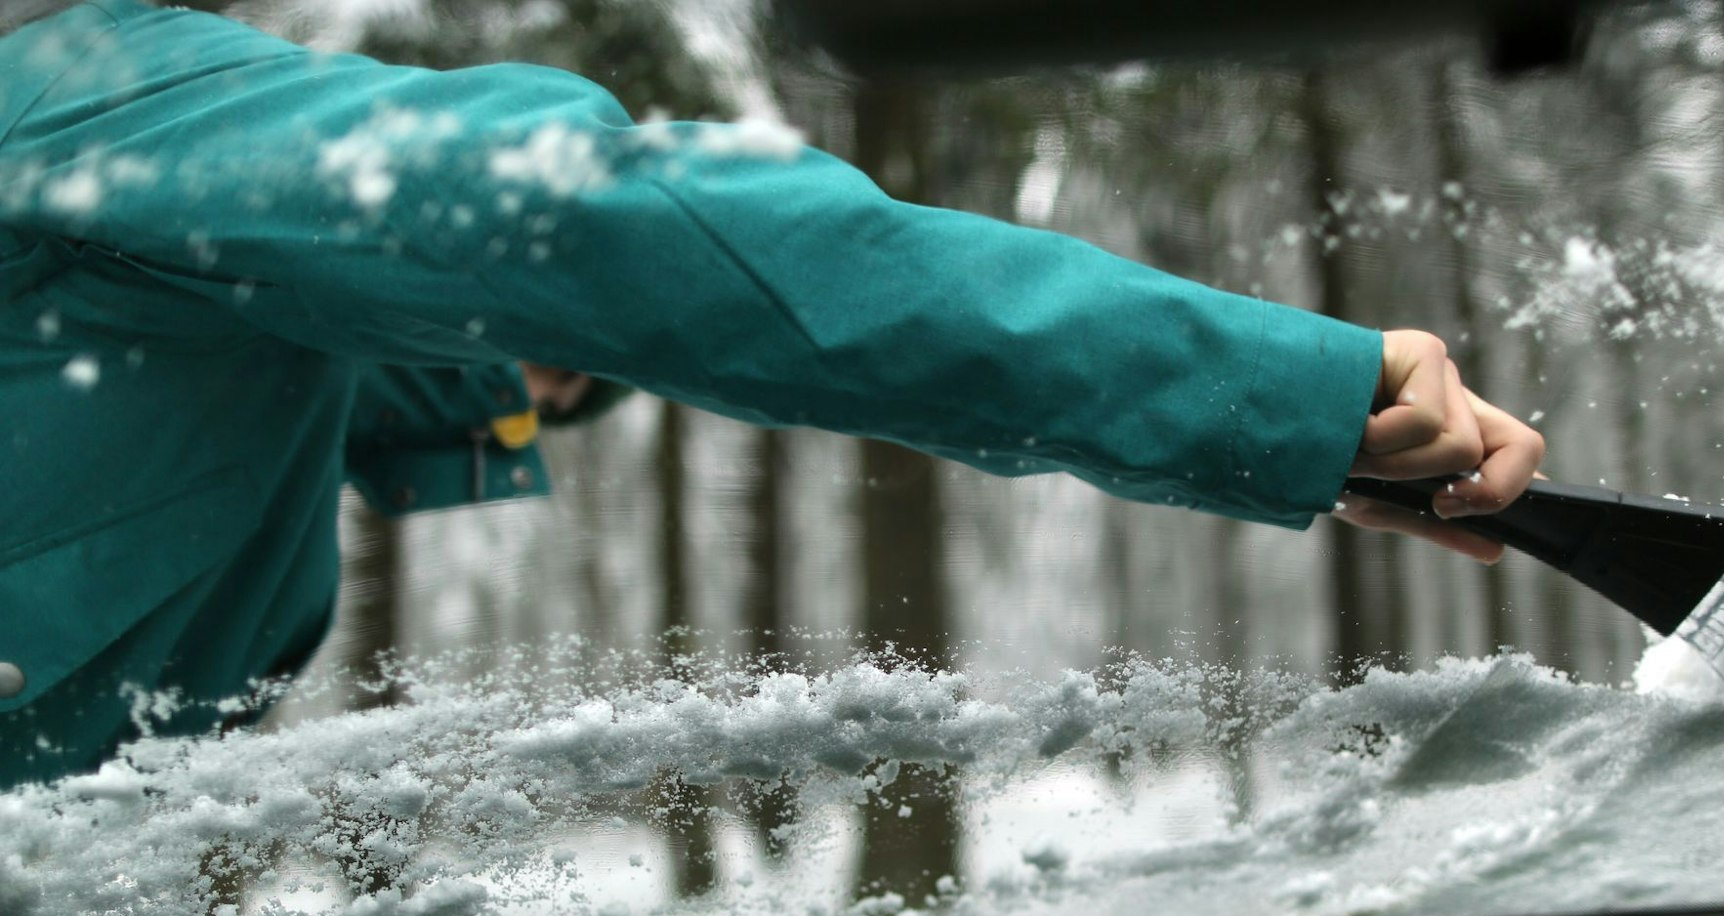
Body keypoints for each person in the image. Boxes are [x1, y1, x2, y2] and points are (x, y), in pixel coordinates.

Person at [0, 0, 1543, 788]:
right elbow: (611, 229)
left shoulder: (86, 146)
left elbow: (576, 258)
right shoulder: (85, 99)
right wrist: (1287, 392)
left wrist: (535, 359)